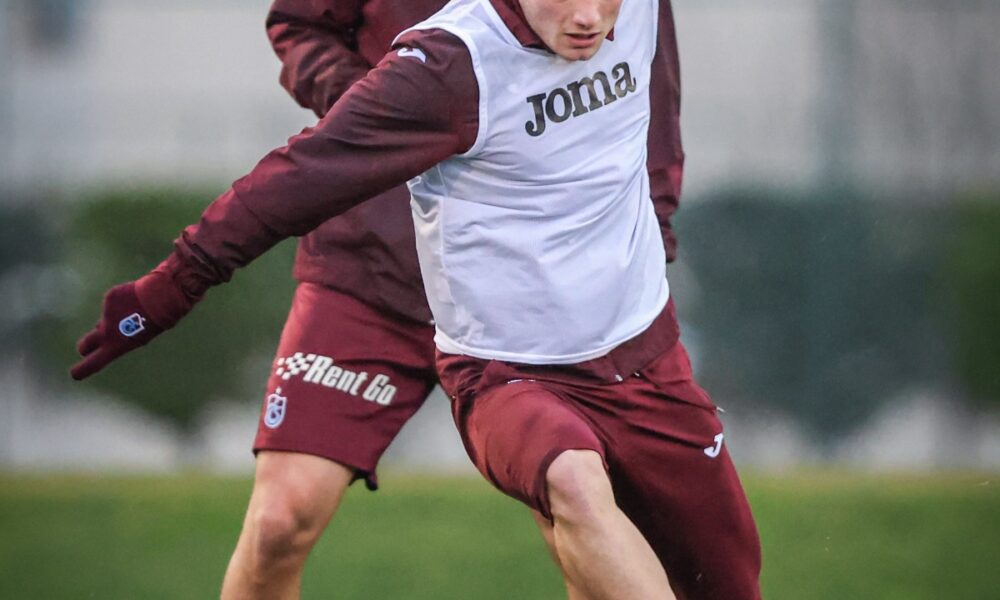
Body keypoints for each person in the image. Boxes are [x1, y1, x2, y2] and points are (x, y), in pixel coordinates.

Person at [71, 0, 760, 598]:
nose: (587, 15)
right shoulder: (449, 67)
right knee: (287, 520)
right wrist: (385, 113)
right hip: (397, 288)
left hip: (596, 330)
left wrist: (652, 229)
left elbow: (655, 100)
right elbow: (302, 98)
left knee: (627, 547)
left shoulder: (627, 14)